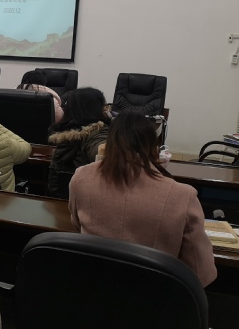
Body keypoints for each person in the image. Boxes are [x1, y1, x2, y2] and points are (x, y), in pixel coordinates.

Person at [69, 112, 217, 286]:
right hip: (153, 295)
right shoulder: (183, 196)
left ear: (109, 142)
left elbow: (76, 223)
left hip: (91, 289)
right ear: (154, 148)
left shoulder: (81, 177)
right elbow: (201, 273)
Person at [47, 87, 111, 197]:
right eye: (104, 107)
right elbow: (100, 148)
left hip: (58, 197)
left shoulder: (60, 133)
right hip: (86, 198)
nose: (107, 110)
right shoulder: (98, 132)